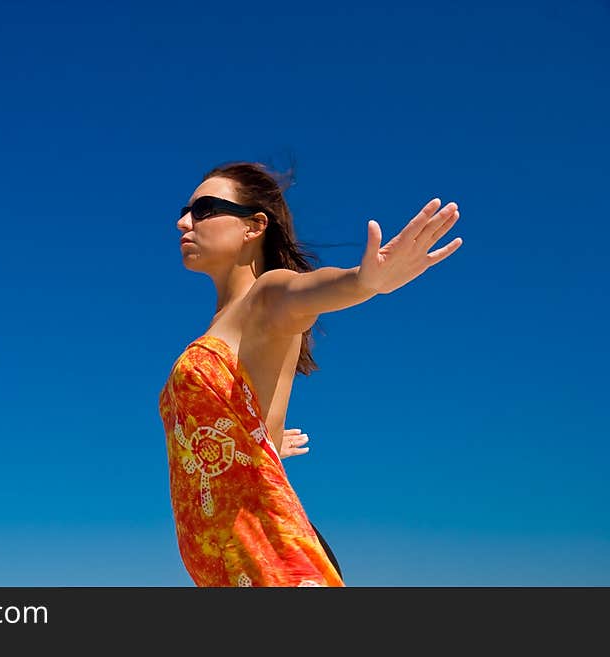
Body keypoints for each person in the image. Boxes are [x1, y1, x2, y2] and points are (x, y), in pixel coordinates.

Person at [157, 161, 462, 587]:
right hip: (230, 570)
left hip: (273, 563)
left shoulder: (267, 296)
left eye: (205, 208)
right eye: (186, 209)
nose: (183, 222)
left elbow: (307, 291)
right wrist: (260, 442)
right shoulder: (221, 326)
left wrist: (364, 281)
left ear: (254, 225)